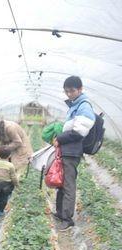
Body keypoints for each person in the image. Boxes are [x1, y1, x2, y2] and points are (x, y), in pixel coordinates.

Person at [53, 75, 95, 231]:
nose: (69, 94)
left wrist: (60, 138)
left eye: (71, 91)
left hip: (72, 152)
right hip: (67, 150)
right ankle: (60, 212)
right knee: (62, 183)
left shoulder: (84, 106)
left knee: (69, 184)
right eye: (66, 92)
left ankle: (67, 218)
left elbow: (79, 132)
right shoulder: (74, 105)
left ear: (80, 89)